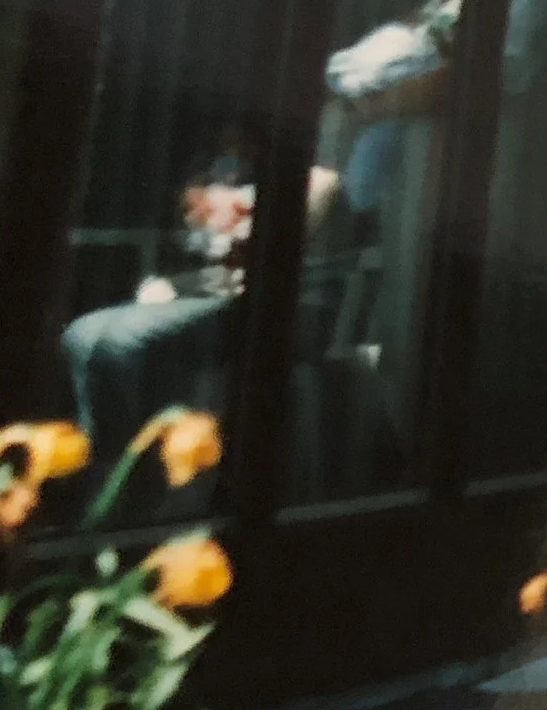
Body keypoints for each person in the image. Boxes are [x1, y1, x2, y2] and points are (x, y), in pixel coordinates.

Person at [59, 130, 341, 471]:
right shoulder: (226, 176)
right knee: (80, 334)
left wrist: (235, 215)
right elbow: (212, 246)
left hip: (281, 303)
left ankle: (128, 471)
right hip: (219, 291)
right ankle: (97, 464)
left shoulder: (314, 177)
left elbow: (277, 236)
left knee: (121, 342)